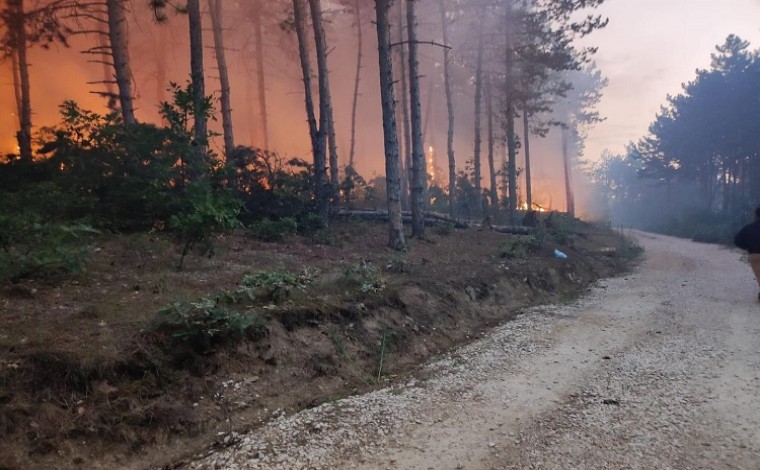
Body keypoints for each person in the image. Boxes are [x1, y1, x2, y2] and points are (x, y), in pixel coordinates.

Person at [734, 206, 760, 301]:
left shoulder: (748, 228)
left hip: (755, 255)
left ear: (756, 215)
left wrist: (746, 246)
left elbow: (737, 240)